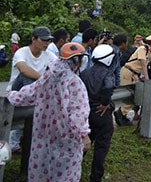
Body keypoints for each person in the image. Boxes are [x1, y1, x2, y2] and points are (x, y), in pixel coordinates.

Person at [7, 42, 91, 181]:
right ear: (77, 60)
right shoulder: (75, 82)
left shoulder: (48, 77)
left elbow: (29, 93)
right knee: (65, 172)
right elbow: (78, 112)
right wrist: (84, 135)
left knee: (43, 170)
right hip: (65, 136)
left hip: (44, 134)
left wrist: (11, 96)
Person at [6, 26, 59, 152]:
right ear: (33, 39)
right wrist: (43, 79)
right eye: (44, 40)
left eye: (48, 41)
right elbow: (23, 69)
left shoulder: (48, 55)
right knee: (26, 77)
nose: (46, 44)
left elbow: (59, 68)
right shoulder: (22, 52)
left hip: (34, 92)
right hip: (17, 90)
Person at [80, 44, 116, 182]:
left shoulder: (85, 73)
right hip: (102, 114)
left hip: (86, 112)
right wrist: (105, 103)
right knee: (101, 147)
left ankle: (73, 170)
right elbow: (108, 86)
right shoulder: (108, 73)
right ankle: (96, 178)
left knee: (83, 145)